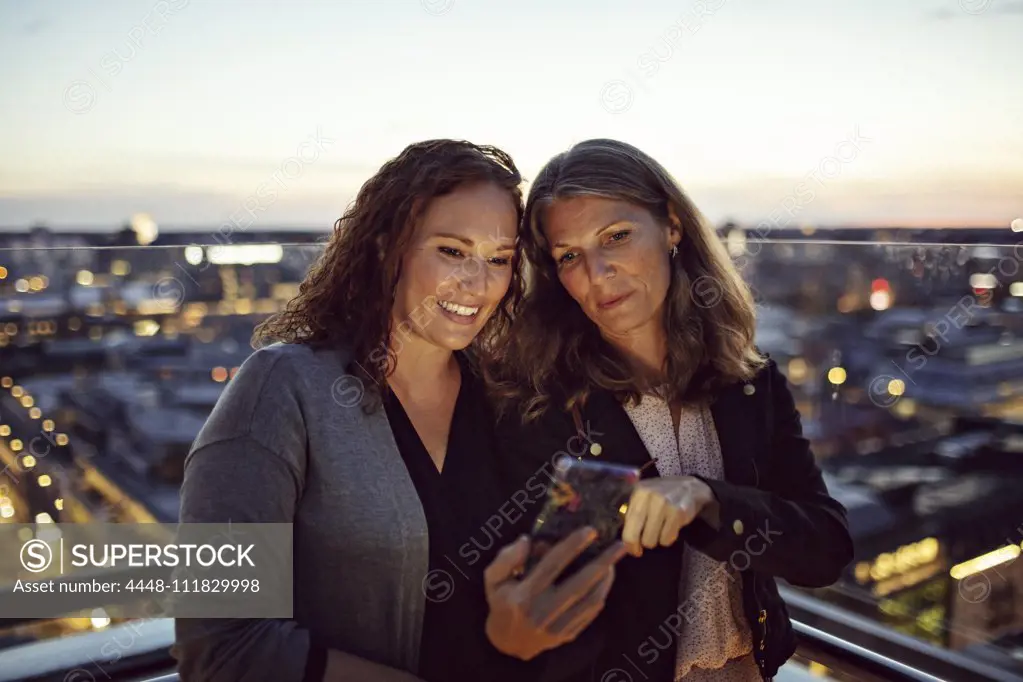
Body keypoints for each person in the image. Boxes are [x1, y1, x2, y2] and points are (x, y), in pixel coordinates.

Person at [172, 139, 625, 682]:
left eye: (499, 260)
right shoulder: (283, 388)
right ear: (388, 246)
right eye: (452, 251)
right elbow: (219, 644)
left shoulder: (508, 398)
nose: (477, 284)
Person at [485, 139, 854, 681]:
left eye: (616, 236)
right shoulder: (545, 407)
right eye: (569, 255)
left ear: (673, 227)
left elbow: (826, 549)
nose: (597, 271)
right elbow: (551, 600)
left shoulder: (748, 382)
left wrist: (707, 500)